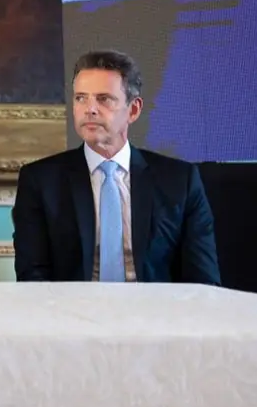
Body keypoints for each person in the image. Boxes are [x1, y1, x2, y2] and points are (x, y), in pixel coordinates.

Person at [12, 50, 221, 284]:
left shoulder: (180, 181)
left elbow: (203, 281)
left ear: (133, 110)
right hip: (73, 306)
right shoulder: (40, 181)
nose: (90, 109)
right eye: (81, 98)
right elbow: (33, 279)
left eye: (104, 99)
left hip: (154, 306)